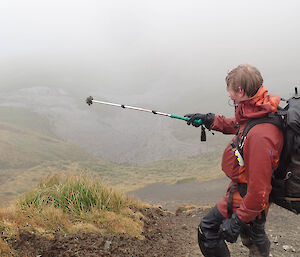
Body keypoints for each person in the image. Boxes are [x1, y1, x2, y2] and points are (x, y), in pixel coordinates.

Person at [185, 64, 284, 257]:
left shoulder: (260, 138)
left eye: (230, 90)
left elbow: (259, 190)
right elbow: (240, 124)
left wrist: (238, 219)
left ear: (241, 91)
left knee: (208, 231)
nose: (229, 95)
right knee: (253, 236)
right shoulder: (259, 107)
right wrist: (209, 119)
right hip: (248, 195)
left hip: (246, 196)